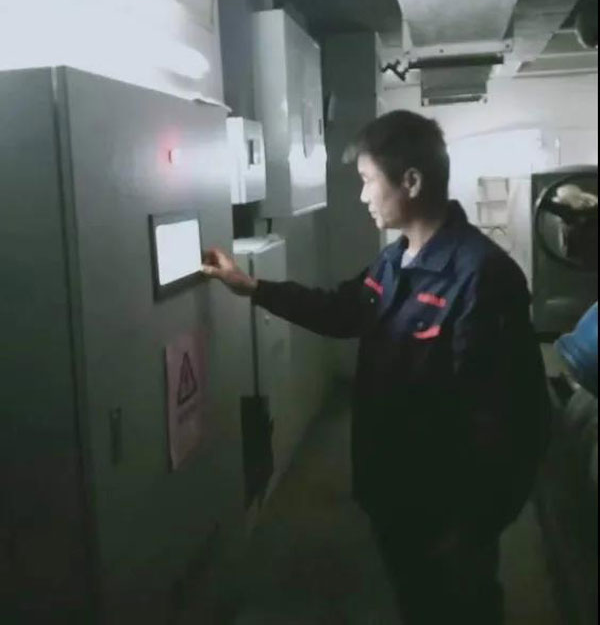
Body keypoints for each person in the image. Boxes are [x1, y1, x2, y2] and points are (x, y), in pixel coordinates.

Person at [202, 111, 551, 625]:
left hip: (447, 511)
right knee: (417, 604)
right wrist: (253, 287)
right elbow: (342, 311)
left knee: (461, 609)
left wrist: (474, 526)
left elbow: (511, 420)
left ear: (410, 181)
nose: (362, 195)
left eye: (368, 180)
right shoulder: (395, 261)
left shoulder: (482, 277)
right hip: (394, 491)